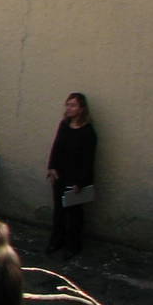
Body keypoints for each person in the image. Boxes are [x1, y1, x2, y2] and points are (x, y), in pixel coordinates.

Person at [46, 91, 97, 259]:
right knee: (59, 211)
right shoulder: (64, 125)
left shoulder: (88, 132)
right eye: (67, 104)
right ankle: (56, 241)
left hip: (76, 178)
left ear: (82, 109)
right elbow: (56, 146)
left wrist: (80, 182)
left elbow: (88, 159)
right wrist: (52, 167)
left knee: (74, 214)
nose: (69, 108)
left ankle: (73, 245)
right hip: (61, 175)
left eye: (73, 105)